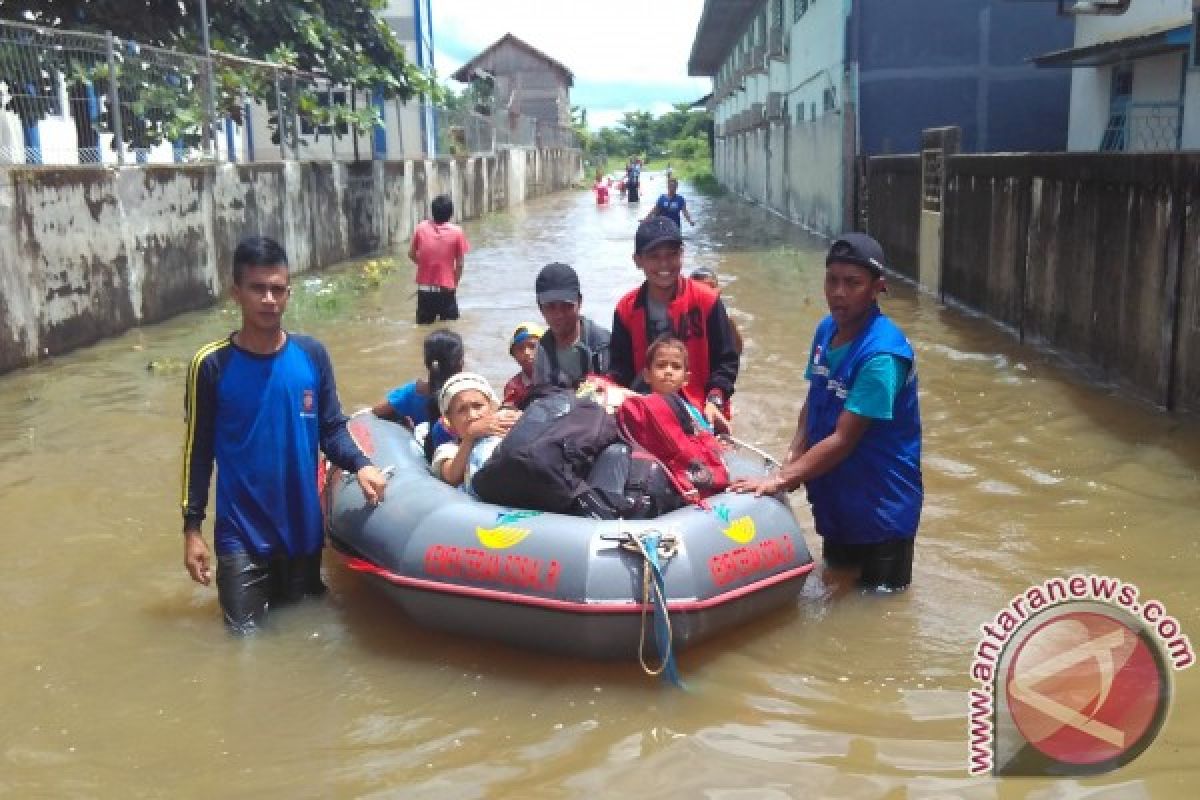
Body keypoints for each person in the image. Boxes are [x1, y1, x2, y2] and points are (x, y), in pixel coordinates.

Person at [181, 235, 389, 634]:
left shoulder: (311, 356)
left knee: (312, 640)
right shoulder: (210, 366)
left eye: (277, 289)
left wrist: (362, 465)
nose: (269, 299)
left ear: (289, 293)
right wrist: (192, 530)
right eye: (258, 288)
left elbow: (330, 429)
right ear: (236, 293)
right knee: (245, 650)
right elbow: (198, 452)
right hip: (241, 538)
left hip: (303, 534)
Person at [731, 233, 923, 592]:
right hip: (838, 501)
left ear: (877, 288)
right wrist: (792, 455)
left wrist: (782, 480)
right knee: (834, 590)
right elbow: (813, 401)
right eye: (832, 280)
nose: (838, 292)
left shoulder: (882, 357)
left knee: (875, 618)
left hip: (880, 510)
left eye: (852, 283)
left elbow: (843, 439)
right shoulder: (826, 330)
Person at [609, 217, 739, 434]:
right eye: (654, 257)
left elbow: (726, 361)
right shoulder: (626, 309)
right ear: (637, 260)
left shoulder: (706, 300)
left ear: (682, 254)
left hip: (701, 411)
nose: (664, 265)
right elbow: (620, 369)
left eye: (672, 255)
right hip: (646, 410)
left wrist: (715, 399)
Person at [371, 328, 463, 459]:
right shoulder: (468, 398)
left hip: (423, 458)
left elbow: (375, 412)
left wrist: (402, 423)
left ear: (427, 363)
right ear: (460, 364)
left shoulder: (411, 392)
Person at [430, 372, 518, 497]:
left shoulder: (505, 430)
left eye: (478, 406)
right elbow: (451, 476)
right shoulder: (449, 449)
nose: (472, 415)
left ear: (492, 408)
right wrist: (469, 437)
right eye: (461, 410)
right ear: (449, 421)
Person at [532, 262, 611, 391]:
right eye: (551, 306)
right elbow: (541, 395)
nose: (559, 315)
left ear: (579, 302)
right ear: (540, 308)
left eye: (566, 306)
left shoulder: (601, 343)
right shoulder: (543, 349)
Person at [410, 194, 470, 325]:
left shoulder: (421, 228)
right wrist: (454, 284)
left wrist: (426, 264)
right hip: (446, 290)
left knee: (422, 331)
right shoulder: (457, 232)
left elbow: (411, 254)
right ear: (451, 214)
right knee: (451, 329)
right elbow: (459, 265)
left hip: (425, 292)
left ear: (432, 211)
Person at [641, 334, 719, 432]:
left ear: (686, 378)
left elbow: (707, 437)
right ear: (647, 375)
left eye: (676, 367)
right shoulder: (639, 408)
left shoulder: (691, 412)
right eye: (661, 365)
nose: (668, 371)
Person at [690, 268, 743, 354]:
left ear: (719, 290)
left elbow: (737, 351)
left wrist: (729, 322)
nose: (707, 292)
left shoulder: (726, 317)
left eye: (711, 287)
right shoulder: (684, 316)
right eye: (701, 288)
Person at [503, 322, 543, 408]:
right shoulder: (513, 386)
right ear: (514, 355)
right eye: (520, 348)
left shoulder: (559, 377)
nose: (526, 353)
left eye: (533, 346)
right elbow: (507, 412)